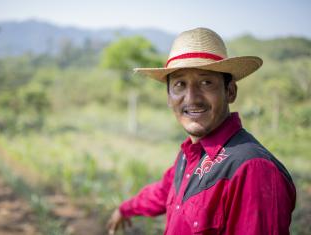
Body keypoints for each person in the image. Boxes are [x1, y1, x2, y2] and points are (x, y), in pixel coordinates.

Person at [106, 27, 296, 235]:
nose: (192, 98)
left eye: (206, 82)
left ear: (230, 91)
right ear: (169, 97)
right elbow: (163, 191)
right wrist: (125, 209)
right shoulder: (190, 154)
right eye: (180, 84)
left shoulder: (252, 169)